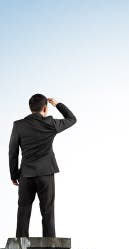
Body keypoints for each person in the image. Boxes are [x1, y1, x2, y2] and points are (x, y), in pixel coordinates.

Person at [8, 94, 77, 237]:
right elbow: (71, 119)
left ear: (30, 107)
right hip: (46, 173)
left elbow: (12, 152)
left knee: (23, 210)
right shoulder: (50, 124)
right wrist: (57, 104)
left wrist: (14, 175)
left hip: (26, 175)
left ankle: (20, 244)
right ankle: (49, 244)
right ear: (45, 108)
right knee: (47, 210)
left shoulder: (19, 125)